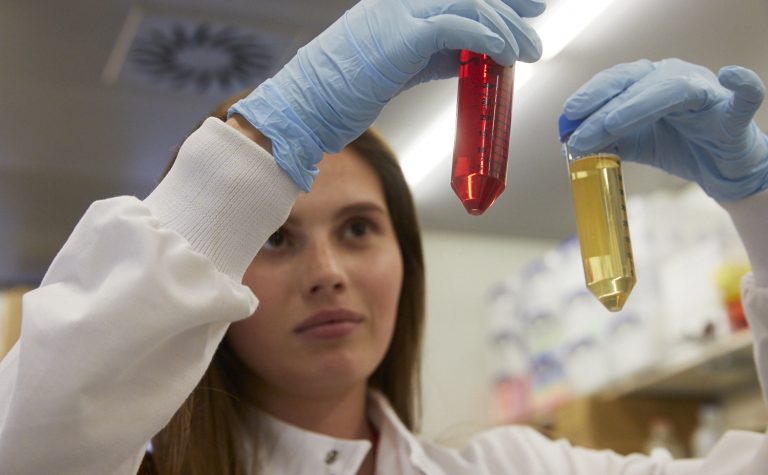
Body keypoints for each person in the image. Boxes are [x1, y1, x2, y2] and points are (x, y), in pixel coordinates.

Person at [0, 0, 766, 472]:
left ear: (404, 256)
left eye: (359, 229)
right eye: (273, 236)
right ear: (218, 272)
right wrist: (265, 139)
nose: (328, 271)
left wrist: (759, 206)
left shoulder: (513, 466)